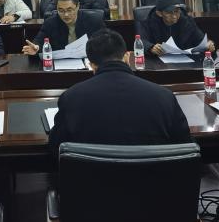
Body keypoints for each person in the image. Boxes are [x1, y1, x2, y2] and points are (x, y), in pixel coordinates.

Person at [48, 29, 191, 153]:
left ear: (92, 65)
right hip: (151, 175)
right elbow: (185, 146)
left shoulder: (71, 98)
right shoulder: (164, 96)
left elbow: (56, 148)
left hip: (92, 176)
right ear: (127, 57)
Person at [23, 0, 104, 54]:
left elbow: (105, 43)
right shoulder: (50, 23)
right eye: (61, 10)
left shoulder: (93, 21)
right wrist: (36, 48)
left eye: (69, 10)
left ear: (77, 7)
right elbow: (39, 41)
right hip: (60, 64)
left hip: (87, 63)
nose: (66, 14)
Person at [136, 0, 215, 56]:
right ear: (159, 13)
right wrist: (151, 48)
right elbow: (142, 41)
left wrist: (208, 44)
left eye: (177, 11)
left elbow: (200, 38)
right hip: (157, 62)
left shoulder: (187, 21)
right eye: (169, 13)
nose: (174, 16)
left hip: (184, 61)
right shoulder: (148, 22)